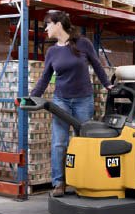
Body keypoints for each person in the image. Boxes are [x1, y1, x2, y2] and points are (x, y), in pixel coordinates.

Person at [30, 10, 112, 197]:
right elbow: (45, 78)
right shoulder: (51, 51)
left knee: (83, 142)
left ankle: (84, 180)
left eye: (47, 25)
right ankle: (59, 183)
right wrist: (32, 96)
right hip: (61, 101)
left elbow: (97, 65)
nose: (46, 29)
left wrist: (107, 84)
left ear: (58, 24)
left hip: (83, 99)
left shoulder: (83, 43)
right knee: (59, 142)